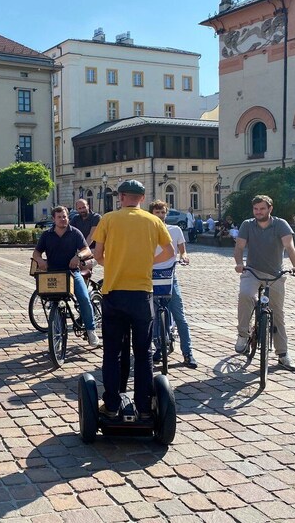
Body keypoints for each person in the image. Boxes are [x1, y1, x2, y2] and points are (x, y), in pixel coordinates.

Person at [93, 180, 174, 420]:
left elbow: (97, 255)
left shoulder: (108, 219)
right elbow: (170, 252)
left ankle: (111, 405)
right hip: (141, 294)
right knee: (143, 351)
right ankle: (145, 406)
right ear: (142, 197)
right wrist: (148, 262)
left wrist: (115, 263)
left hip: (114, 293)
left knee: (113, 351)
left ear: (121, 197)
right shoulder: (154, 221)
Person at [233, 195, 295, 372]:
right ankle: (243, 334)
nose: (259, 212)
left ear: (270, 209)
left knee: (278, 314)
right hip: (252, 271)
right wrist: (239, 263)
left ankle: (283, 354)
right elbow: (240, 247)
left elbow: (289, 246)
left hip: (275, 274)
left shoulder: (280, 224)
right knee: (246, 295)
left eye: (262, 209)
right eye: (256, 209)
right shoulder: (247, 225)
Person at [32, 206, 99, 347]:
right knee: (47, 296)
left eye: (65, 216)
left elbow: (86, 249)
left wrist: (78, 256)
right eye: (60, 217)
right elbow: (36, 253)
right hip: (53, 272)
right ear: (54, 219)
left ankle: (91, 330)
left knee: (84, 298)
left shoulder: (75, 233)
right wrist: (40, 261)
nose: (63, 219)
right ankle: (55, 320)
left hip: (72, 272)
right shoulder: (47, 235)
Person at [149, 200, 197, 368]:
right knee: (153, 316)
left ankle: (188, 352)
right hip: (150, 277)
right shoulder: (146, 232)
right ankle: (158, 347)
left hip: (170, 276)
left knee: (179, 315)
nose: (160, 216)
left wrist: (184, 257)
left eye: (163, 212)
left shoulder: (175, 230)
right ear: (151, 214)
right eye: (157, 212)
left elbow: (182, 250)